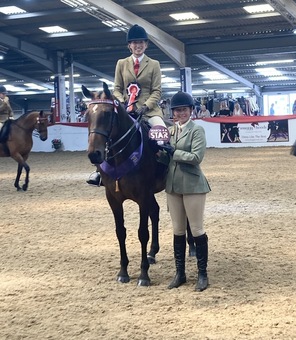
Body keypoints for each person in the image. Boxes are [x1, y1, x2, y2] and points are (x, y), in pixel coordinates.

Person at [87, 24, 166, 186]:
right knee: (105, 134)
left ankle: (167, 170)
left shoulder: (154, 64)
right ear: (129, 46)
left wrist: (144, 107)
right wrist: (122, 103)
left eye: (141, 42)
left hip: (149, 111)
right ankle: (99, 173)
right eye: (134, 42)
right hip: (125, 110)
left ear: (146, 44)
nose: (138, 45)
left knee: (162, 136)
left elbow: (156, 91)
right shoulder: (121, 63)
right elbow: (117, 89)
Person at [166, 91, 211, 292]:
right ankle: (180, 273)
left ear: (190, 110)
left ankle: (202, 274)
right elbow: (164, 160)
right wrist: (158, 152)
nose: (180, 113)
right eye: (177, 110)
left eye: (184, 109)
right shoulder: (169, 131)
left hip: (193, 185)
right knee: (177, 231)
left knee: (197, 229)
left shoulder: (197, 130)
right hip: (173, 185)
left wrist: (173, 152)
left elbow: (196, 157)